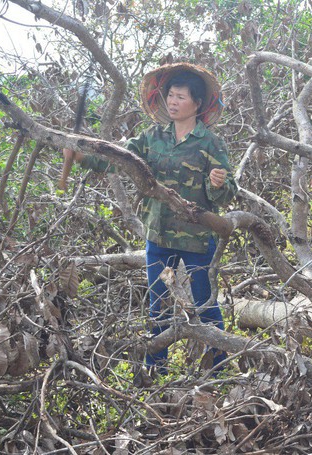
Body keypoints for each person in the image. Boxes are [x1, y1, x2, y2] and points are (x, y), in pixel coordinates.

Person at [63, 63, 238, 374]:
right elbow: (120, 159)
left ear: (197, 103)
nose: (173, 101)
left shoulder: (210, 143)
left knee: (207, 305)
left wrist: (218, 183)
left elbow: (228, 193)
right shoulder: (152, 137)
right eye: (170, 95)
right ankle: (155, 371)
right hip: (158, 235)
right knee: (158, 307)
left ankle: (219, 370)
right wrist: (81, 155)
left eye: (181, 97)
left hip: (197, 237)